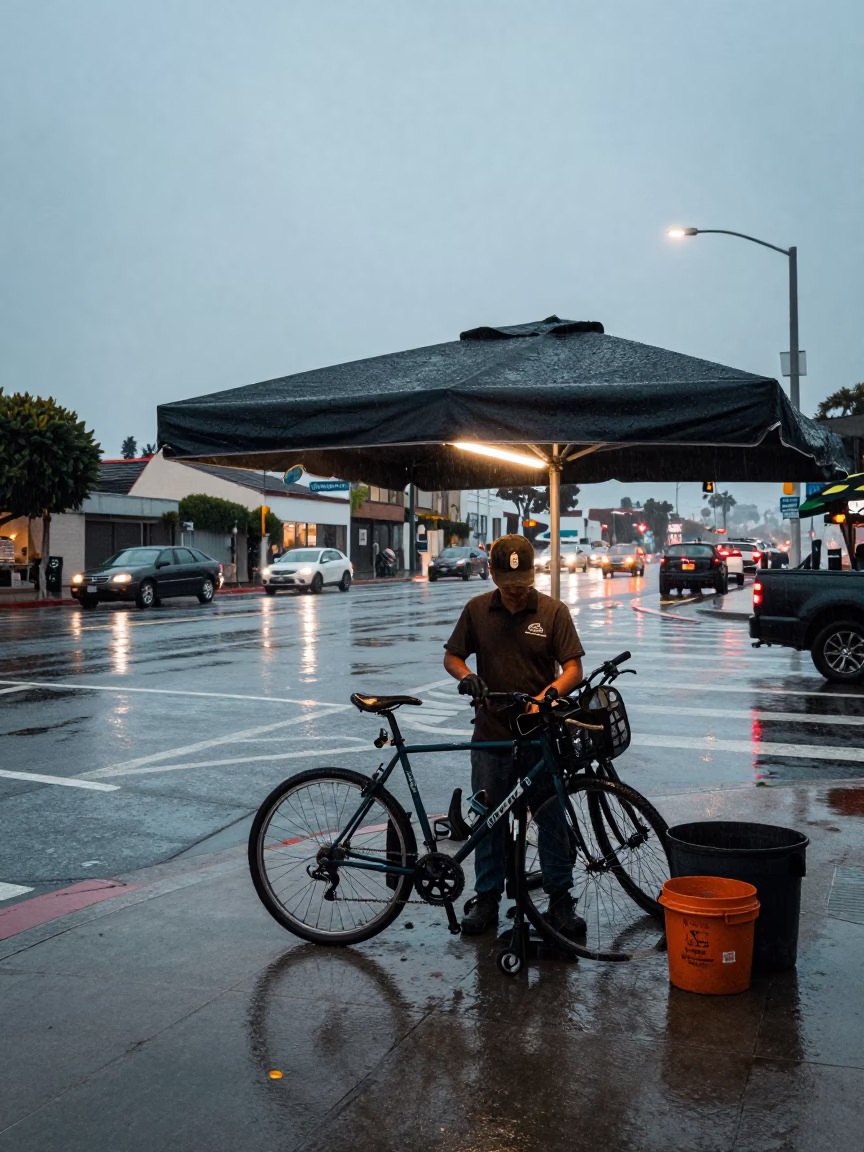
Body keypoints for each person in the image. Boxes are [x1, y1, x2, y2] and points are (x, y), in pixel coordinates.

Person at [443, 534, 586, 936]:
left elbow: (573, 668)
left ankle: (560, 901)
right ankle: (487, 899)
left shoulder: (553, 612)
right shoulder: (476, 611)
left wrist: (547, 696)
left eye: (522, 582)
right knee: (488, 821)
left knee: (551, 820)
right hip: (491, 737)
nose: (516, 591)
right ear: (492, 574)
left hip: (540, 737)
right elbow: (452, 656)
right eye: (508, 584)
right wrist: (467, 675)